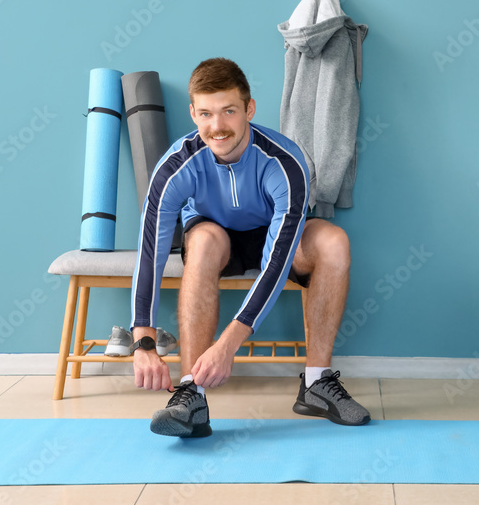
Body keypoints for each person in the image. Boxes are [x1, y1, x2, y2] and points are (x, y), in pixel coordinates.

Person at [129, 57, 370, 437]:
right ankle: (191, 393)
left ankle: (317, 384)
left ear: (249, 109)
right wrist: (142, 340)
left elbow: (275, 265)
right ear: (193, 113)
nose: (217, 126)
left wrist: (229, 343)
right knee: (204, 242)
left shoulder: (286, 163)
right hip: (216, 234)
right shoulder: (176, 165)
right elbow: (151, 254)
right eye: (206, 113)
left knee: (334, 242)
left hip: (277, 234)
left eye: (228, 111)